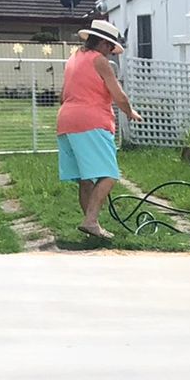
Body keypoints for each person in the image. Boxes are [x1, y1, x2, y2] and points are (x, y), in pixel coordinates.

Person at [58, 17, 142, 241]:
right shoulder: (100, 61)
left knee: (85, 178)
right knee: (109, 174)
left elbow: (62, 94)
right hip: (92, 121)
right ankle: (91, 221)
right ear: (104, 44)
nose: (111, 53)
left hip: (66, 120)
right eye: (111, 48)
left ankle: (90, 227)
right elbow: (119, 95)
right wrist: (130, 112)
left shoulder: (74, 58)